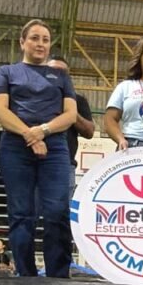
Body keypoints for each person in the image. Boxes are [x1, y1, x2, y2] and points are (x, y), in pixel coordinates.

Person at [0, 19, 78, 278]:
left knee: (56, 212)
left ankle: (58, 275)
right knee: (21, 213)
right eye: (34, 38)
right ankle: (25, 275)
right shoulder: (6, 72)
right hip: (15, 147)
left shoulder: (61, 76)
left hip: (55, 148)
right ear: (22, 42)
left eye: (45, 39)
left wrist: (43, 131)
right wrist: (30, 135)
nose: (40, 44)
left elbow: (70, 115)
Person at [47, 56, 95, 189]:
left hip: (65, 164)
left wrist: (71, 111)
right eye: (52, 71)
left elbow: (89, 132)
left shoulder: (78, 100)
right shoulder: (33, 96)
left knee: (62, 202)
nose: (57, 75)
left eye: (62, 72)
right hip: (33, 162)